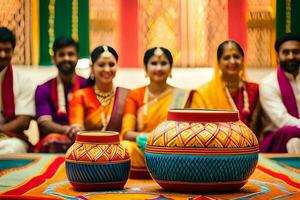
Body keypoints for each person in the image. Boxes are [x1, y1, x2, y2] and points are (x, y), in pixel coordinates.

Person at [121, 47, 192, 178]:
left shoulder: (182, 96)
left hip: (170, 148)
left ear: (170, 68)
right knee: (125, 147)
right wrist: (147, 138)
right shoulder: (135, 95)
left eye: (163, 64)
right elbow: (126, 133)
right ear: (146, 68)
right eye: (153, 63)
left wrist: (162, 141)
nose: (158, 68)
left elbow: (188, 129)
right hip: (142, 148)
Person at [191, 40, 260, 134]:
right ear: (218, 63)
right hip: (214, 145)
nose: (232, 61)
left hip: (249, 145)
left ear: (243, 60)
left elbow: (259, 126)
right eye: (227, 57)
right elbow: (197, 127)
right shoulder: (203, 93)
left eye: (236, 56)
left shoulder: (253, 90)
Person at [34, 36, 89, 153]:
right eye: (61, 54)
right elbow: (45, 124)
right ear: (54, 59)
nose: (66, 58)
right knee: (52, 140)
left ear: (78, 57)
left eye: (70, 54)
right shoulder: (43, 89)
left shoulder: (88, 85)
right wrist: (69, 130)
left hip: (85, 140)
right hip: (55, 143)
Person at [69, 45, 129, 132]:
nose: (107, 69)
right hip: (89, 144)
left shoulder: (126, 96)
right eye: (101, 65)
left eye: (111, 64)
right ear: (92, 68)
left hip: (120, 144)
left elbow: (128, 131)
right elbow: (77, 129)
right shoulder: (80, 96)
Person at [260, 32, 300, 153]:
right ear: (278, 56)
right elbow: (282, 120)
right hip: (277, 138)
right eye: (286, 52)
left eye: (296, 52)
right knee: (292, 138)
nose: (291, 56)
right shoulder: (268, 83)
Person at [0, 27, 35, 154]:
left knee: (12, 149)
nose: (2, 55)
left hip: (9, 138)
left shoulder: (23, 80)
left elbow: (24, 121)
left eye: (7, 50)